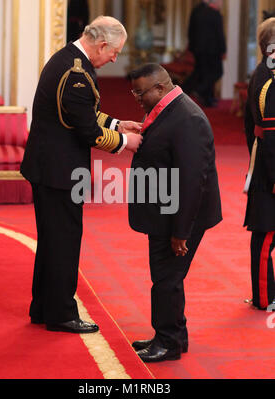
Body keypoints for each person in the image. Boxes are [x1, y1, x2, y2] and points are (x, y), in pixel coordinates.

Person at [20, 16, 143, 334]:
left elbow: (82, 111)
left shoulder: (69, 60)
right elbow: (87, 129)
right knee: (63, 241)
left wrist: (116, 124)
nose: (115, 58)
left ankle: (44, 307)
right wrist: (126, 142)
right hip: (58, 171)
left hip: (48, 166)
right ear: (102, 45)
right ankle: (61, 314)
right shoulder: (76, 73)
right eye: (114, 52)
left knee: (51, 240)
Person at [128, 63, 222, 362]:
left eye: (141, 93)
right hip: (165, 213)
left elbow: (193, 181)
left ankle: (168, 342)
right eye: (135, 92)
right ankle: (172, 336)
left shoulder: (187, 118)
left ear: (160, 88)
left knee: (166, 279)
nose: (137, 99)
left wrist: (182, 231)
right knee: (166, 277)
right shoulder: (167, 109)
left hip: (180, 218)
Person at [243, 17, 275, 310]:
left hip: (261, 158)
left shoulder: (262, 71)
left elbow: (248, 124)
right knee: (266, 234)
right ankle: (265, 298)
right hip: (271, 167)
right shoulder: (271, 78)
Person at [183, 0, 226, 107]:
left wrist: (192, 47)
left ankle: (206, 98)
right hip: (213, 51)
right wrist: (223, 50)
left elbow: (190, 31)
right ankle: (200, 91)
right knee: (216, 72)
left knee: (201, 73)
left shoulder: (196, 11)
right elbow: (219, 34)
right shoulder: (215, 13)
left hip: (198, 49)